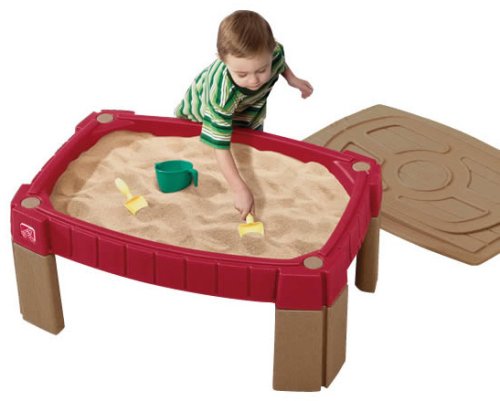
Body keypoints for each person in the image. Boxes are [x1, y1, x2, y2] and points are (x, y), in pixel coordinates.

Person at [175, 10, 313, 220]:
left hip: (248, 111)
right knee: (216, 143)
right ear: (222, 60)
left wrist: (293, 80)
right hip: (201, 114)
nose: (254, 80)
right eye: (242, 74)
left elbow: (280, 62)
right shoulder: (221, 95)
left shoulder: (273, 54)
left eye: (262, 70)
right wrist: (239, 189)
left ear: (271, 51)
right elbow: (220, 145)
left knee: (250, 141)